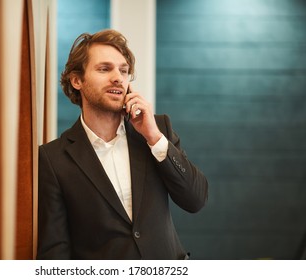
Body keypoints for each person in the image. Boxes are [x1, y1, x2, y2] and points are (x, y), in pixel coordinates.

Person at [37, 29, 208, 260]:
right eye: (104, 69)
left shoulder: (158, 131)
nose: (118, 77)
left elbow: (195, 199)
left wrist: (154, 138)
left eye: (124, 70)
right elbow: (55, 249)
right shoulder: (52, 158)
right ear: (77, 80)